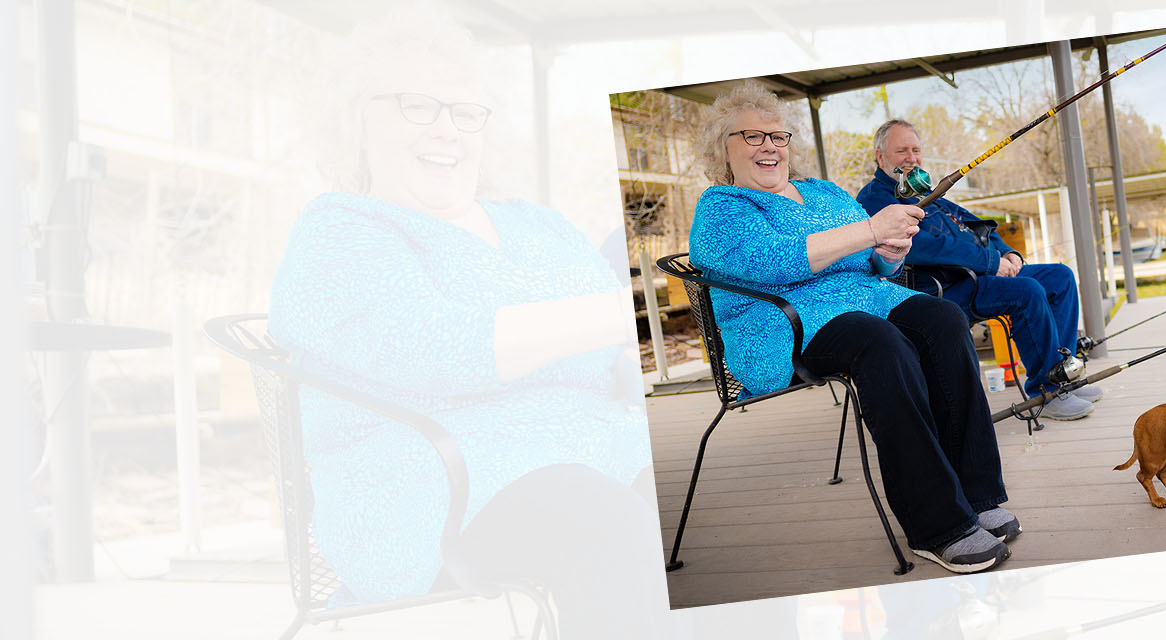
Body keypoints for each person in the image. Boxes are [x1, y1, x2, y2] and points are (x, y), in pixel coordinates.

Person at [269, 10, 652, 638]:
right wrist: (603, 319)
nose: (446, 129)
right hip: (431, 489)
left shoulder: (540, 227)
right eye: (417, 106)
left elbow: (615, 352)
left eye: (464, 111)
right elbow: (434, 350)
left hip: (595, 453)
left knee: (722, 510)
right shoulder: (340, 230)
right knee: (613, 524)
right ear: (356, 120)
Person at [687, 84, 1018, 573]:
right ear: (723, 147)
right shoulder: (722, 208)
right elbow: (774, 261)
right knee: (879, 342)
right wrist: (871, 230)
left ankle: (977, 493)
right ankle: (937, 526)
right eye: (752, 136)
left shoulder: (823, 191)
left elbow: (873, 264)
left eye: (777, 135)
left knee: (943, 318)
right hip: (781, 324)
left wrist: (890, 252)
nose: (769, 146)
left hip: (867, 301)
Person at [854, 119, 1103, 420]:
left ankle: (1063, 377)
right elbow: (923, 246)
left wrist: (1006, 253)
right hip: (942, 289)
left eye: (916, 150)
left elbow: (975, 224)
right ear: (880, 157)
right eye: (901, 151)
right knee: (1027, 291)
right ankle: (1045, 392)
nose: (912, 158)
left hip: (980, 275)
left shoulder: (923, 190)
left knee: (1060, 277)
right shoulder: (874, 199)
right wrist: (991, 262)